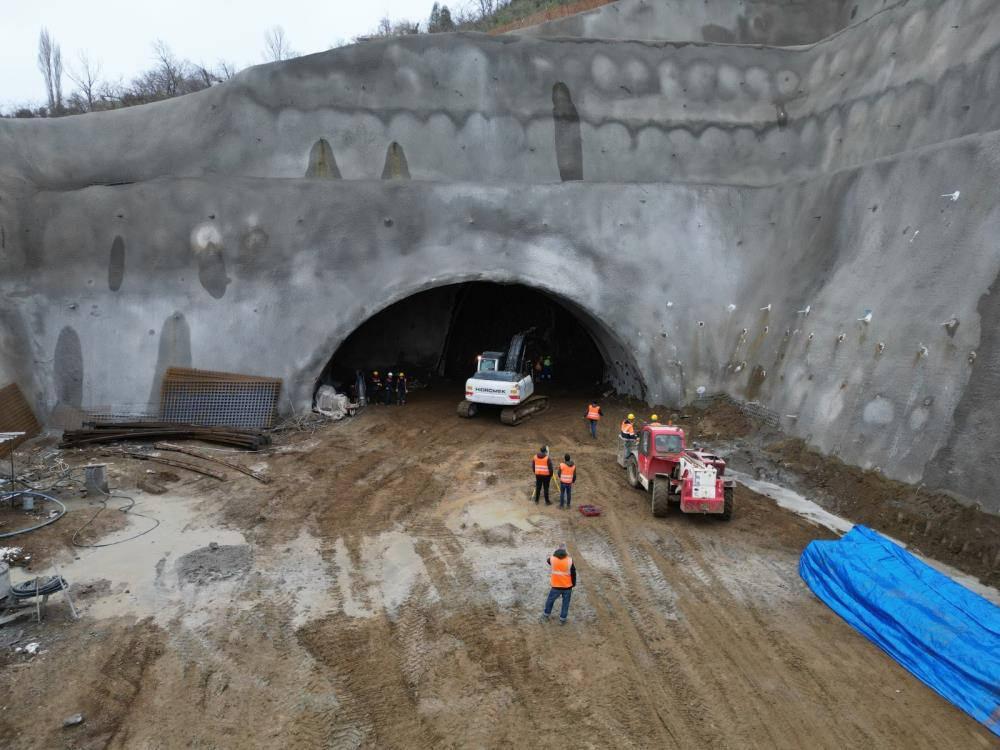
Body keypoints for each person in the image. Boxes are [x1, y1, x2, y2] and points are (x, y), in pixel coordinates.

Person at [541, 545, 576, 624]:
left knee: (550, 601)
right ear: (565, 553)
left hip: (556, 586)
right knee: (565, 603)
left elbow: (548, 560)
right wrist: (573, 584)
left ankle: (546, 615)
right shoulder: (570, 560)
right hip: (567, 587)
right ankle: (562, 620)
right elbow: (573, 573)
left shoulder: (552, 559)